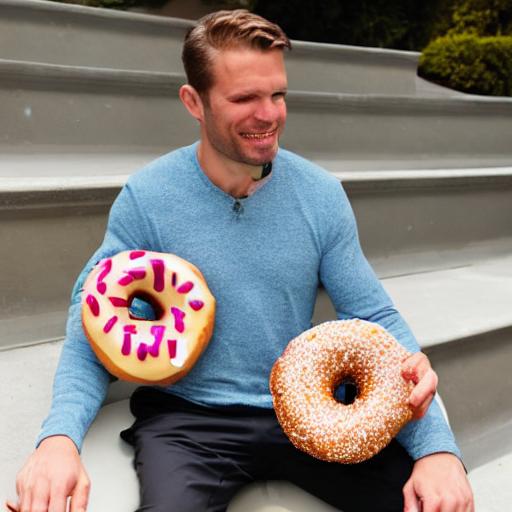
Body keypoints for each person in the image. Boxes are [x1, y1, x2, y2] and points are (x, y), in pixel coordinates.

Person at [10, 10, 473, 512]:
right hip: (189, 421)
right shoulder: (148, 197)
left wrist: (438, 449)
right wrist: (58, 439)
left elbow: (374, 316)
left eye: (277, 94)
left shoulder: (320, 196)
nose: (268, 114)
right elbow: (94, 318)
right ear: (194, 102)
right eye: (244, 98)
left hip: (304, 412)